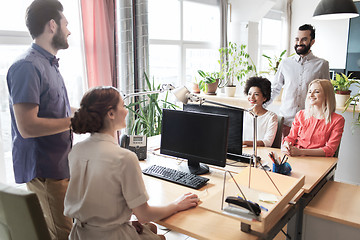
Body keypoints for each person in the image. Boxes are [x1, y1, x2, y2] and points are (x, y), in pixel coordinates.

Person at [64, 86, 199, 240]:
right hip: (111, 236)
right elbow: (144, 215)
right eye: (122, 105)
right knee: (159, 236)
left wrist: (122, 222)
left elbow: (97, 200)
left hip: (81, 234)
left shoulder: (76, 150)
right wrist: (176, 205)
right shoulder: (124, 158)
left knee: (152, 228)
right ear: (111, 113)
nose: (127, 110)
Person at [6, 0, 74, 239]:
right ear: (52, 25)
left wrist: (83, 113)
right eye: (66, 24)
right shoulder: (27, 66)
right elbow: (27, 126)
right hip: (46, 170)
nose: (69, 30)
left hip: (60, 165)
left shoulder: (49, 64)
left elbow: (55, 111)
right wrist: (73, 122)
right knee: (62, 235)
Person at [269, 24, 330, 139]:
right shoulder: (285, 63)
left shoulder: (322, 64)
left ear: (312, 42)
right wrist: (261, 106)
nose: (299, 42)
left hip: (309, 122)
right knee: (284, 154)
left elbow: (326, 94)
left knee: (304, 155)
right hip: (286, 121)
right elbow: (275, 88)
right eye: (297, 39)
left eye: (304, 39)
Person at [281, 79, 345, 157]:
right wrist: (286, 145)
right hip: (296, 158)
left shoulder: (338, 120)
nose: (311, 95)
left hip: (319, 161)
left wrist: (301, 152)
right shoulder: (300, 114)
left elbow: (330, 149)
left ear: (326, 95)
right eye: (310, 92)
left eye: (316, 92)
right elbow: (291, 137)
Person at [243, 76, 278, 147]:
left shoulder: (271, 117)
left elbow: (267, 142)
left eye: (256, 94)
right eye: (249, 94)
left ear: (264, 98)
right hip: (242, 152)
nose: (251, 97)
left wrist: (244, 142)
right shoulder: (243, 113)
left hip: (261, 153)